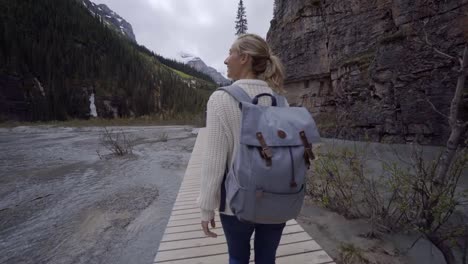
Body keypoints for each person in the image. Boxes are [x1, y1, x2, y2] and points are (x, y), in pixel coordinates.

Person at [197, 33, 287, 264]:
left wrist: (207, 207)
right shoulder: (280, 100)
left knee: (237, 258)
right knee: (267, 259)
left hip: (236, 202)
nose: (226, 60)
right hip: (277, 198)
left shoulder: (220, 99)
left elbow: (214, 162)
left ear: (244, 58)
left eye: (230, 53)